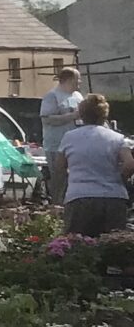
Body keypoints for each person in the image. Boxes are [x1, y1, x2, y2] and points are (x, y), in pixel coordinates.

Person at [57, 94, 134, 238]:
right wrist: (120, 179)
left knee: (77, 244)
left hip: (79, 197)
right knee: (113, 246)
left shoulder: (69, 137)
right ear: (104, 116)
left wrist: (71, 178)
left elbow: (60, 166)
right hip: (113, 197)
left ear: (81, 115)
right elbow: (129, 164)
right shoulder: (117, 138)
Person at [41, 67, 84, 203]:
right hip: (56, 146)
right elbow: (47, 119)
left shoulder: (78, 96)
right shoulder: (52, 96)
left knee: (74, 178)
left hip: (76, 145)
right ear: (69, 80)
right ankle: (57, 205)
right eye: (78, 79)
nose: (80, 82)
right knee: (59, 178)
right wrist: (72, 116)